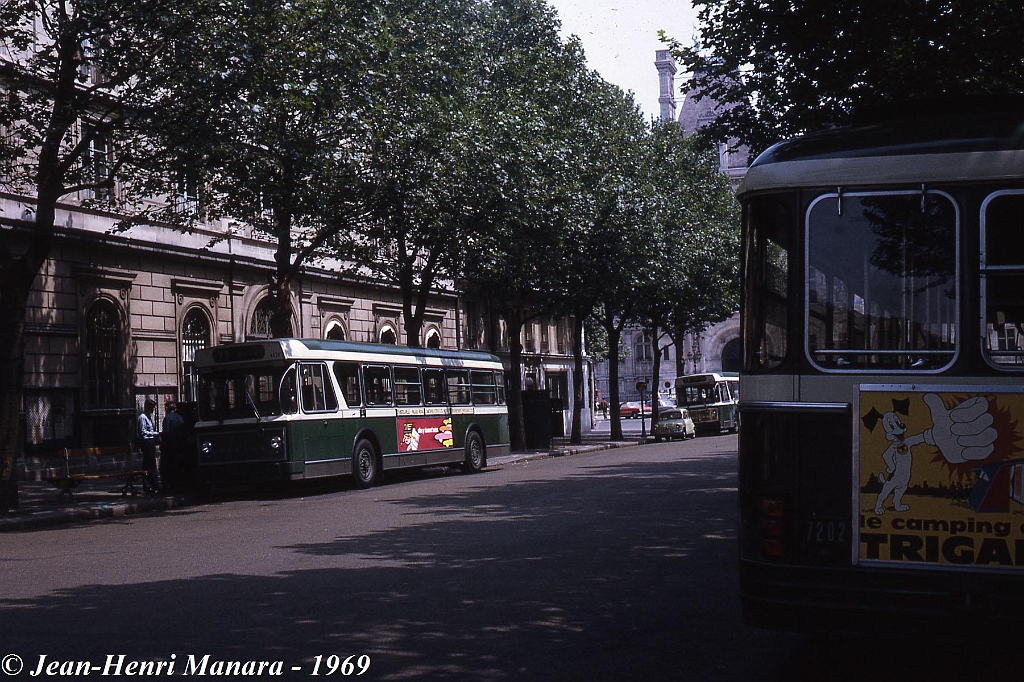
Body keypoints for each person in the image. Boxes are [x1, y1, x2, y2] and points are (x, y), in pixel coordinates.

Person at [136, 397, 161, 494]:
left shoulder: (148, 416)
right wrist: (155, 434)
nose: (153, 410)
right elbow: (143, 432)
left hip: (151, 441)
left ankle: (153, 484)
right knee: (148, 464)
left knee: (152, 464)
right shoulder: (142, 417)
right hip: (146, 442)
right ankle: (149, 485)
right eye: (152, 408)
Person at [161, 400, 186, 491]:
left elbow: (166, 432)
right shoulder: (180, 417)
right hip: (179, 445)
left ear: (167, 408)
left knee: (168, 466)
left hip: (170, 446)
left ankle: (169, 486)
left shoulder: (168, 418)